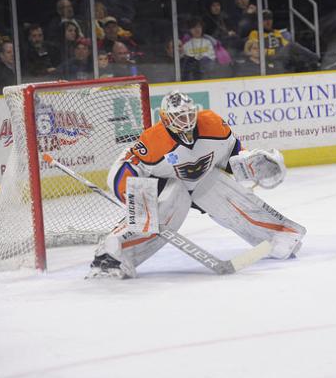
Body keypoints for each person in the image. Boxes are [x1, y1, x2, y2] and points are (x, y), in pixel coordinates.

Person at [87, 90, 306, 278]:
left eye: (189, 113)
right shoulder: (153, 141)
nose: (186, 120)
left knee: (217, 186)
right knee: (163, 205)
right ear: (165, 118)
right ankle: (111, 255)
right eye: (179, 116)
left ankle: (278, 235)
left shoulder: (212, 123)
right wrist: (135, 201)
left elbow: (231, 154)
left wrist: (250, 163)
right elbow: (125, 168)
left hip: (200, 179)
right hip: (164, 183)